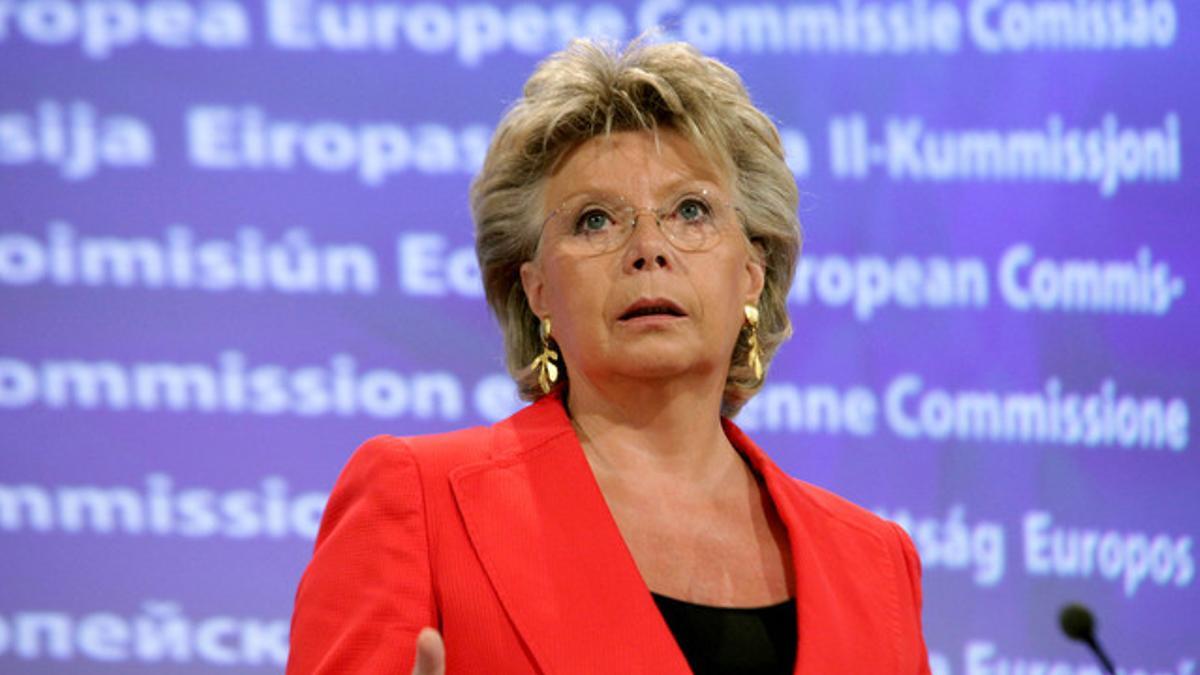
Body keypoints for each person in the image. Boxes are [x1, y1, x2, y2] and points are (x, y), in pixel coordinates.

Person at [287, 38, 930, 675]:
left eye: (691, 211)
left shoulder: (875, 562)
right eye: (595, 219)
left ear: (752, 275)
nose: (649, 248)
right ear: (536, 288)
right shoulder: (421, 506)